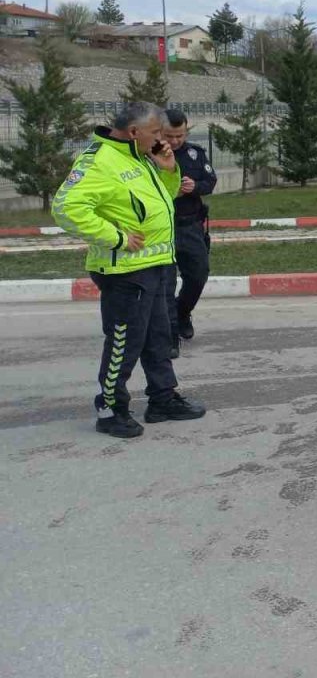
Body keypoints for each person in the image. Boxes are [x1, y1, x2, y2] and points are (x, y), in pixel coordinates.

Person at [51, 102, 207, 439]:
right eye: (155, 132)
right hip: (125, 272)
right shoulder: (99, 161)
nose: (161, 139)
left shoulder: (140, 157)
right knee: (125, 342)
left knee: (159, 337)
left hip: (156, 264)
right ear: (134, 132)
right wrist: (117, 238)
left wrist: (169, 170)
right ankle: (110, 409)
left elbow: (161, 202)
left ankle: (163, 399)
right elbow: (65, 208)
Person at [163, 109, 216, 349]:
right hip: (163, 228)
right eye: (170, 136)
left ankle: (182, 312)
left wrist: (195, 186)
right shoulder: (150, 154)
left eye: (180, 136)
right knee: (166, 283)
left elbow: (210, 182)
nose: (175, 141)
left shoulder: (195, 154)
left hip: (191, 225)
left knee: (198, 275)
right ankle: (169, 334)